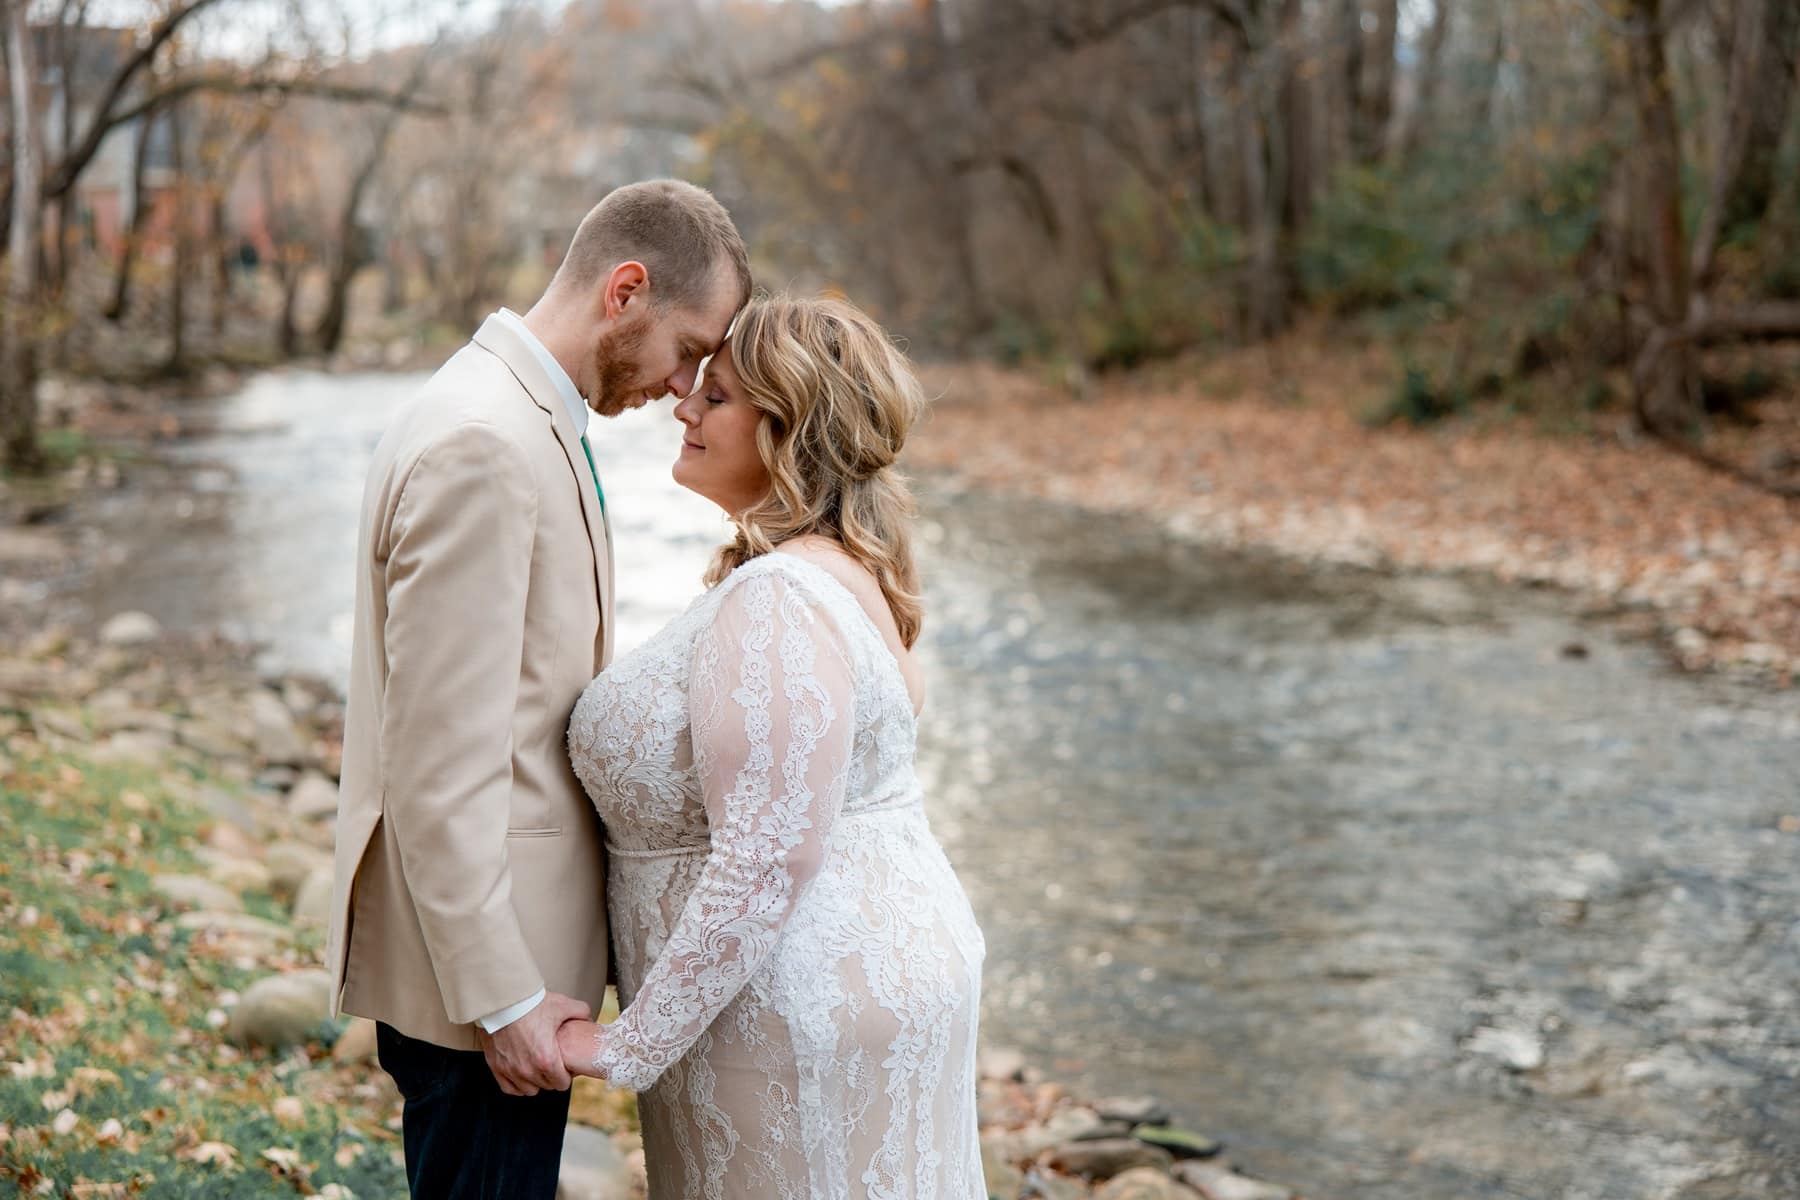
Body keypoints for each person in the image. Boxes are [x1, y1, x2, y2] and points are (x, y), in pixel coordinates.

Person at [324, 179, 751, 1199]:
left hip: (509, 968)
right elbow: (439, 765)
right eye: (688, 348)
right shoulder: (485, 444)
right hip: (480, 990)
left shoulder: (522, 417)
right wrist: (505, 996)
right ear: (626, 291)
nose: (685, 386)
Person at [560, 296, 987, 1197]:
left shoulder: (779, 598)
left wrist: (626, 1045)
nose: (683, 406)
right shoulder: (852, 569)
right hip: (858, 975)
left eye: (714, 398)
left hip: (794, 1010)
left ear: (788, 427)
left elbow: (766, 854)